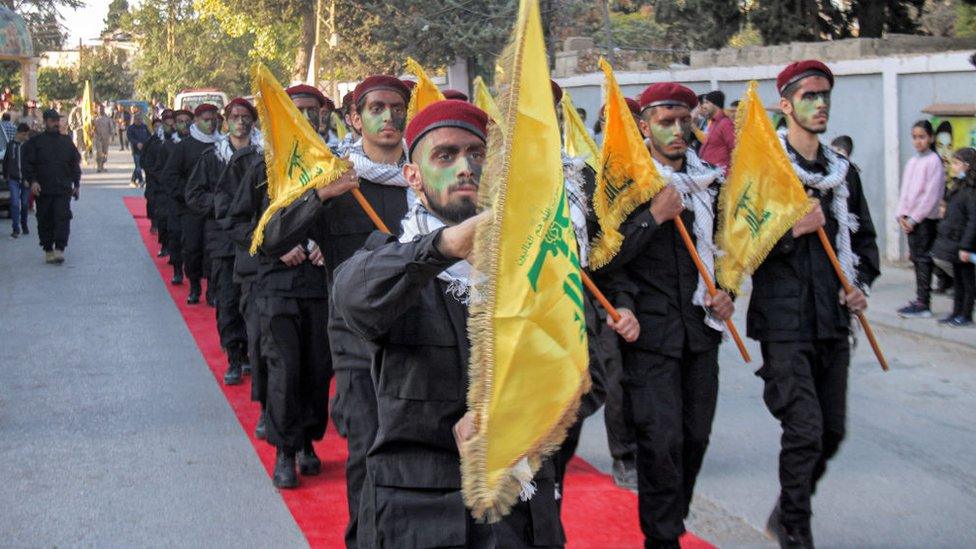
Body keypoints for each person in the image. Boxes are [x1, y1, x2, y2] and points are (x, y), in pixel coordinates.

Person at [333, 99, 564, 549]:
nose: (465, 167)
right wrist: (439, 247)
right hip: (419, 508)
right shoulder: (391, 257)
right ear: (413, 177)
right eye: (445, 155)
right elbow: (352, 298)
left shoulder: (533, 266)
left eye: (477, 155)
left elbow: (579, 364)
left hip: (518, 501)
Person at [258, 77, 411, 540]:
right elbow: (272, 239)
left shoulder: (426, 175)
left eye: (398, 107)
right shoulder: (337, 179)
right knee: (367, 450)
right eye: (377, 107)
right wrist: (320, 195)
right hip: (357, 342)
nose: (389, 117)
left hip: (421, 337)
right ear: (355, 118)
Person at [594, 83, 733, 549]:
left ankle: (671, 521)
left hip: (700, 333)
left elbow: (726, 253)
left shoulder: (711, 182)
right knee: (660, 444)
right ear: (645, 125)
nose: (677, 130)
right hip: (649, 338)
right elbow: (605, 260)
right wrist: (652, 217)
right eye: (665, 121)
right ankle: (662, 537)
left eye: (684, 120)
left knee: (694, 440)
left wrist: (727, 293)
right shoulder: (627, 183)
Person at [752, 60, 880, 549]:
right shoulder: (764, 172)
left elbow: (864, 242)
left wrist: (859, 282)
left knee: (832, 433)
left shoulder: (843, 174)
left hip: (833, 320)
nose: (820, 103)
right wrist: (790, 233)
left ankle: (785, 510)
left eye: (825, 94)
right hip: (783, 322)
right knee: (804, 429)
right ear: (786, 106)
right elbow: (739, 246)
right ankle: (795, 531)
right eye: (809, 95)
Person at [229, 84, 347, 490]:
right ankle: (284, 450)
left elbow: (346, 225)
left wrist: (323, 249)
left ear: (322, 115)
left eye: (311, 111)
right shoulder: (261, 168)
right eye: (295, 110)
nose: (304, 117)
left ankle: (307, 442)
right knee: (284, 369)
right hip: (274, 286)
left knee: (317, 371)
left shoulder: (335, 165)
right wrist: (277, 247)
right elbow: (238, 224)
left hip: (320, 286)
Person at [185, 98, 259, 385]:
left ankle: (253, 353)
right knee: (227, 301)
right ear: (226, 121)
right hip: (223, 241)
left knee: (251, 301)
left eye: (246, 116)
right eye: (235, 116)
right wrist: (219, 204)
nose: (241, 121)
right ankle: (234, 356)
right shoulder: (212, 157)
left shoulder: (262, 155)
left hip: (253, 239)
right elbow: (193, 194)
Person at [161, 103, 220, 304]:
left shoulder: (221, 145)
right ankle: (194, 285)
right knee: (192, 248)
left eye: (214, 119)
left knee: (213, 250)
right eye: (206, 119)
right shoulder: (184, 146)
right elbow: (169, 176)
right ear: (197, 121)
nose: (211, 123)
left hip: (214, 209)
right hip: (190, 209)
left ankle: (212, 289)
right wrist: (186, 195)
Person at [896, 121, 946, 319]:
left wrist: (914, 219)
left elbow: (931, 196)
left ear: (931, 138)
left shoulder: (934, 161)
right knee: (916, 259)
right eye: (915, 137)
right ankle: (919, 299)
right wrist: (901, 215)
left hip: (924, 220)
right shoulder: (913, 162)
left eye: (922, 137)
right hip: (909, 220)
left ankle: (924, 302)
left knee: (924, 259)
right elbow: (905, 191)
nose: (918, 141)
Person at [23, 109, 82, 264]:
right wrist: (33, 181)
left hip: (63, 188)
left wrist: (76, 184)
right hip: (43, 189)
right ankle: (48, 249)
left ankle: (59, 249)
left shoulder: (66, 142)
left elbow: (74, 164)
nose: (56, 123)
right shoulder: (36, 142)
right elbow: (28, 165)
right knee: (45, 219)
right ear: (45, 122)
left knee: (62, 218)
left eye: (57, 120)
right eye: (52, 120)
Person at [932, 147, 976, 327]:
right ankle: (956, 312)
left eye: (957, 163)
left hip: (964, 244)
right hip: (954, 242)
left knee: (967, 281)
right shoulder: (957, 186)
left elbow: (973, 221)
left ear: (967, 166)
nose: (953, 166)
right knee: (957, 281)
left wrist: (966, 247)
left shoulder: (971, 191)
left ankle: (965, 314)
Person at [142, 109, 176, 257]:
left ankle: (176, 250)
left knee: (175, 221)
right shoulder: (153, 141)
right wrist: (155, 174)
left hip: (175, 186)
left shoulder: (180, 141)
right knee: (162, 216)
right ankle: (165, 244)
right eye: (166, 122)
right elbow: (145, 161)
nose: (169, 125)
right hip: (158, 185)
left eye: (172, 122)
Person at [697, 90, 735, 173]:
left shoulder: (726, 123)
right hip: (709, 173)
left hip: (720, 175)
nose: (703, 106)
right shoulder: (713, 122)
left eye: (707, 102)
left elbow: (735, 149)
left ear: (715, 104)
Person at [4, 123, 30, 238]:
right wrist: (6, 176)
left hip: (25, 180)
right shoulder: (11, 145)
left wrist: (28, 179)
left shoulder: (27, 146)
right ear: (19, 133)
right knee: (15, 203)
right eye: (24, 134)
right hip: (13, 179)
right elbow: (6, 161)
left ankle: (24, 224)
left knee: (24, 204)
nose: (26, 137)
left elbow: (31, 164)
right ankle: (15, 228)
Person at [126, 108, 151, 188]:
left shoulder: (144, 127)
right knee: (138, 166)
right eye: (137, 119)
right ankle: (141, 181)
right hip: (136, 150)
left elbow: (149, 136)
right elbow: (130, 138)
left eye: (140, 119)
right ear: (134, 120)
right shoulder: (131, 128)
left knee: (140, 166)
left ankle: (133, 181)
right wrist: (137, 143)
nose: (139, 121)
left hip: (144, 150)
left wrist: (146, 143)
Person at [93, 106, 114, 172]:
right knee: (98, 152)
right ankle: (98, 167)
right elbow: (90, 127)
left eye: (101, 109)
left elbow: (111, 128)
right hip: (97, 138)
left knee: (105, 153)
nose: (100, 110)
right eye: (99, 109)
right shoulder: (94, 118)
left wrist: (111, 137)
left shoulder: (108, 119)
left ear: (104, 110)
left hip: (105, 138)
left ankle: (102, 166)